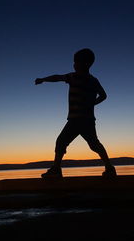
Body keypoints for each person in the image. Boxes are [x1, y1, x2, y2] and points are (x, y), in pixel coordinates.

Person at [35, 48, 117, 179]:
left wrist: (43, 79)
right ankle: (109, 168)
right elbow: (103, 95)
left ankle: (56, 169)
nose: (74, 64)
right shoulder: (92, 80)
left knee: (62, 141)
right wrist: (92, 103)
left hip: (77, 120)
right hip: (87, 120)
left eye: (76, 62)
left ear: (85, 64)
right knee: (94, 144)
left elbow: (57, 77)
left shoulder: (74, 77)